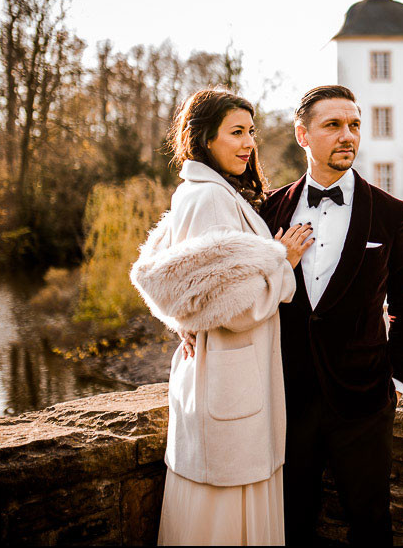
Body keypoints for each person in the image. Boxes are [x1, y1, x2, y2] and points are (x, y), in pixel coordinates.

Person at [130, 87, 315, 545]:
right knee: (226, 521)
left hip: (228, 381)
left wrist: (185, 321)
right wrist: (281, 259)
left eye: (251, 132)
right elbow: (228, 307)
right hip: (230, 386)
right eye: (236, 133)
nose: (249, 144)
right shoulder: (209, 198)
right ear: (204, 139)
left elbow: (188, 289)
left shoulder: (203, 192)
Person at [259, 85, 403, 545]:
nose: (347, 135)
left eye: (354, 125)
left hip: (364, 402)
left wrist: (395, 379)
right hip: (288, 397)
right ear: (303, 134)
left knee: (372, 525)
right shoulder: (268, 210)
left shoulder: (392, 214)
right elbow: (245, 287)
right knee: (292, 523)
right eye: (332, 125)